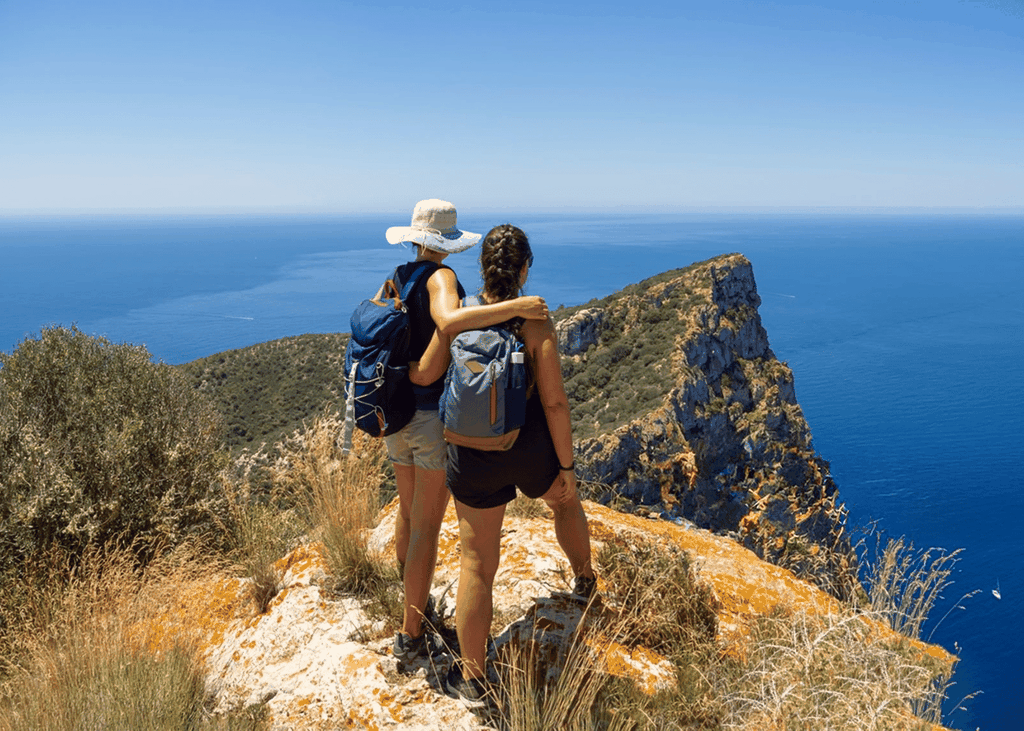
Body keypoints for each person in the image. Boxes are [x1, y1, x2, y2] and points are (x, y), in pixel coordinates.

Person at [434, 223, 598, 708]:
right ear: (524, 268)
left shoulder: (462, 316)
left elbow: (431, 374)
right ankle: (586, 581)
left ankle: (473, 680)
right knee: (565, 504)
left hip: (470, 454)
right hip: (527, 450)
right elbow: (554, 405)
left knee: (476, 565)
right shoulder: (533, 321)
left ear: (483, 268)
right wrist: (565, 468)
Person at [382, 201, 550, 671]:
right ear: (445, 243)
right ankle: (410, 632)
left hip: (394, 416)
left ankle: (413, 605)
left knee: (408, 511)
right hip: (427, 416)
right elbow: (449, 327)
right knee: (426, 529)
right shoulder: (443, 279)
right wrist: (515, 307)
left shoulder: (397, 275)